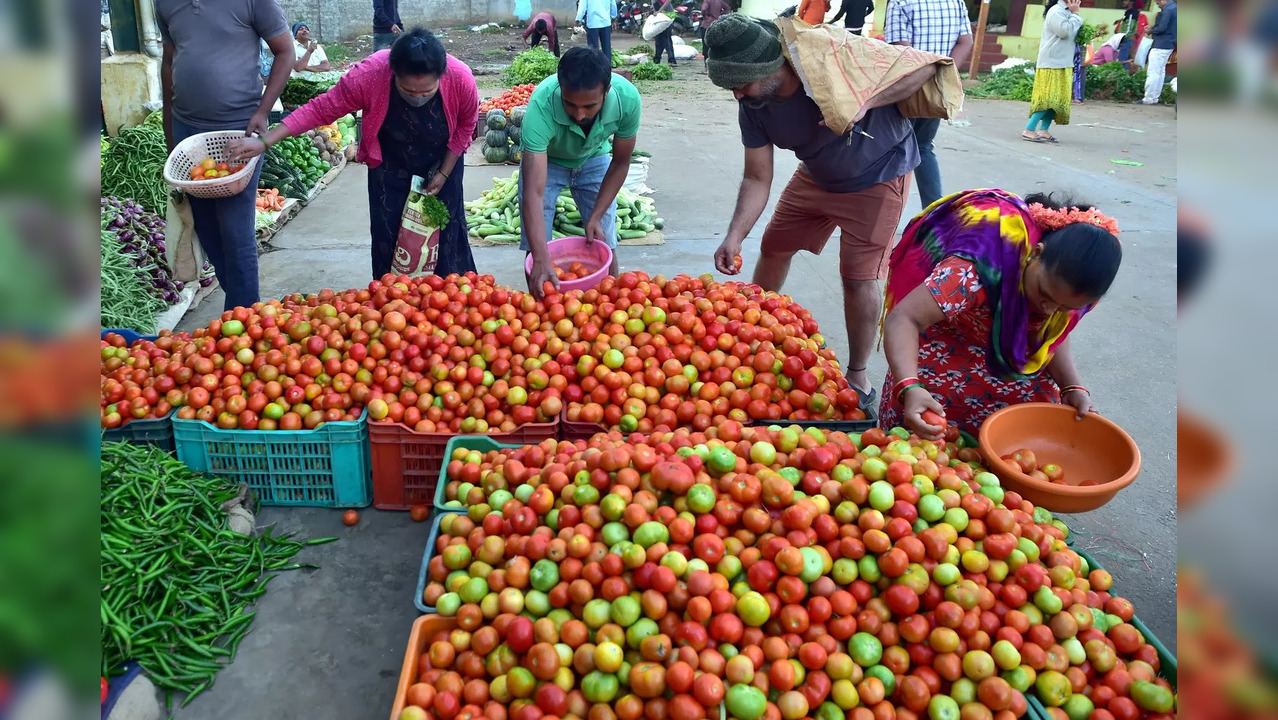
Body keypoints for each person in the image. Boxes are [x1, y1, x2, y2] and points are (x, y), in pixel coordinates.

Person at [705, 14, 936, 410]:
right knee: (774, 245)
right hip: (815, 174)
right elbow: (757, 178)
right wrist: (734, 236)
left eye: (742, 83)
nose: (738, 95)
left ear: (771, 67)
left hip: (879, 174)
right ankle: (756, 330)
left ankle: (859, 371)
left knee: (858, 277)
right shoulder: (754, 106)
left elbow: (927, 64)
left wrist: (866, 101)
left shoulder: (829, 61)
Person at [229, 28, 479, 279]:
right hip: (390, 165)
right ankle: (392, 304)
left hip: (442, 162)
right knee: (389, 235)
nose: (417, 98)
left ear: (441, 75)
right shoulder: (370, 75)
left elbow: (467, 124)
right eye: (408, 91)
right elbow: (321, 108)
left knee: (446, 234)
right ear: (393, 74)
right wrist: (265, 141)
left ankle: (453, 298)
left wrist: (445, 172)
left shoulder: (459, 78)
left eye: (426, 93)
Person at [878, 189, 1122, 439]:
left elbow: (1051, 336)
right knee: (917, 438)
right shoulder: (978, 266)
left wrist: (1071, 387)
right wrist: (909, 386)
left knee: (1020, 442)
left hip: (1010, 355)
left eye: (1063, 308)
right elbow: (906, 318)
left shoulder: (1078, 292)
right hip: (947, 339)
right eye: (1044, 294)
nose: (1048, 310)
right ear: (1035, 254)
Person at [156, 0, 294, 311]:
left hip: (238, 130)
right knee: (205, 227)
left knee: (234, 228)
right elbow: (169, 60)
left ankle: (244, 319)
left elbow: (285, 51)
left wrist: (263, 110)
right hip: (187, 129)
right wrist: (170, 128)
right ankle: (241, 311)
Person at [520, 47, 641, 297]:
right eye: (570, 104)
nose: (579, 114)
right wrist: (541, 258)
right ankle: (539, 315)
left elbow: (620, 162)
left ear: (606, 92)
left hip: (594, 156)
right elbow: (534, 192)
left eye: (590, 106)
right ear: (560, 88)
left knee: (605, 239)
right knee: (536, 250)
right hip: (549, 161)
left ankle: (610, 306)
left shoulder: (626, 99)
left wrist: (595, 216)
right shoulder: (541, 106)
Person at [884, 0, 973, 209]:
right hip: (938, 89)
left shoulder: (900, 2)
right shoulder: (955, 2)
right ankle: (933, 212)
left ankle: (886, 213)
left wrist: (921, 76)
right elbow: (965, 41)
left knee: (893, 149)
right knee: (923, 147)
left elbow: (900, 48)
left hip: (906, 88)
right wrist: (943, 72)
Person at [1023, 0, 1082, 143]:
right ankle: (1029, 129)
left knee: (1058, 100)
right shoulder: (1056, 11)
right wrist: (1075, 14)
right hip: (1051, 62)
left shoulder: (1067, 11)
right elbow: (1064, 32)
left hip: (1064, 62)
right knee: (1047, 99)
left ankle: (1043, 130)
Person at [1141, 0, 1176, 104]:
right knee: (1160, 72)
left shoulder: (1167, 10)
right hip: (1170, 44)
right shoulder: (1175, 8)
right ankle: (1155, 97)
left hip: (1160, 44)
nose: (1158, 5)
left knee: (1153, 72)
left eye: (1158, 3)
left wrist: (1150, 30)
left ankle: (1148, 99)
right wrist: (1154, 27)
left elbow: (1162, 28)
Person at [1114, 0, 1148, 64]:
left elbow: (1129, 29)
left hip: (1125, 40)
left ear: (1131, 2)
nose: (1123, 2)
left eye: (1126, 0)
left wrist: (1122, 39)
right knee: (1122, 60)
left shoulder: (1131, 14)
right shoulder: (1128, 13)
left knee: (1123, 61)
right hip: (1124, 40)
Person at [654, 0, 679, 66]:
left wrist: (659, 11)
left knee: (666, 38)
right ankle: (657, 59)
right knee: (658, 39)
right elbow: (654, 6)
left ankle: (672, 60)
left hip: (667, 17)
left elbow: (668, 2)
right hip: (659, 18)